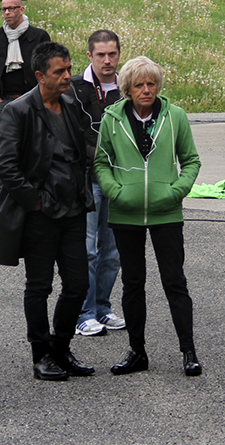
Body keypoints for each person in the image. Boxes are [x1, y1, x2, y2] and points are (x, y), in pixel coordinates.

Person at [0, 42, 96, 381]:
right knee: (39, 286)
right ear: (39, 75)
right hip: (40, 214)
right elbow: (4, 166)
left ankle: (61, 348)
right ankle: (41, 354)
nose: (67, 76)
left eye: (68, 69)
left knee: (78, 284)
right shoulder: (19, 111)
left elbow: (84, 150)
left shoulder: (72, 103)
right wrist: (35, 201)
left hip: (74, 209)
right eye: (59, 72)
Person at [93, 56, 203, 377]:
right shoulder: (112, 119)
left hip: (166, 213)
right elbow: (101, 162)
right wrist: (115, 192)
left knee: (175, 282)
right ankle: (137, 351)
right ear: (127, 88)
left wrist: (174, 192)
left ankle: (189, 351)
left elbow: (191, 161)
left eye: (151, 84)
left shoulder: (176, 117)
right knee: (132, 284)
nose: (146, 90)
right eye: (139, 85)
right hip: (125, 214)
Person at [71, 30, 126, 337]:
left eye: (112, 54)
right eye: (101, 55)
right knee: (88, 249)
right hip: (88, 178)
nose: (107, 60)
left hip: (119, 181)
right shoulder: (76, 88)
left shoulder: (126, 87)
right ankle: (84, 312)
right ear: (89, 55)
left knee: (113, 250)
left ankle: (103, 307)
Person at [0, 0, 51, 209]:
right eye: (4, 9)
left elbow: (47, 67)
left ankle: (31, 189)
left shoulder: (39, 36)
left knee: (32, 144)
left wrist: (37, 95)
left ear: (22, 10)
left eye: (12, 8)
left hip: (31, 99)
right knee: (4, 145)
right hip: (4, 101)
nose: (8, 13)